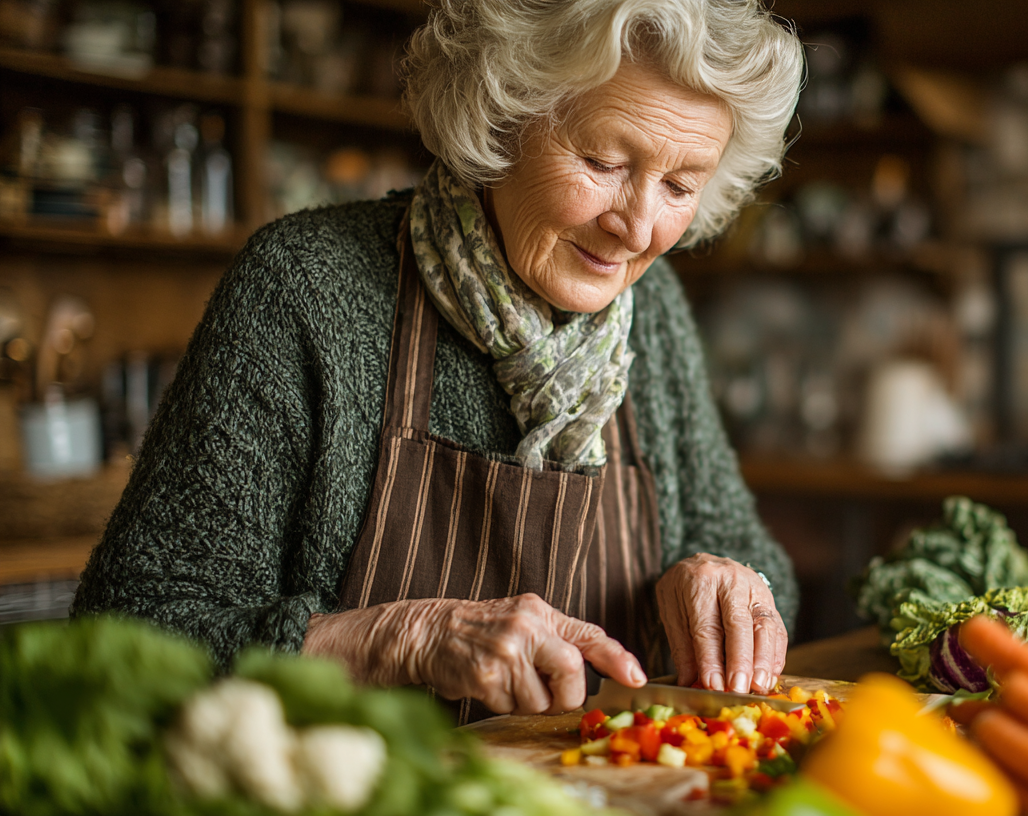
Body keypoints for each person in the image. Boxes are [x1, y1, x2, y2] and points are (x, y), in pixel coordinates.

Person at [73, 0, 804, 721]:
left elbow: (749, 557)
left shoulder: (657, 311)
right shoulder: (307, 286)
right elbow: (126, 640)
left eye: (680, 186)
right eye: (603, 161)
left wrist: (728, 587)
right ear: (502, 115)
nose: (637, 227)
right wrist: (398, 641)